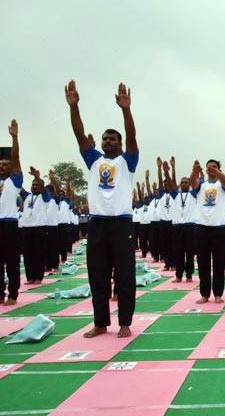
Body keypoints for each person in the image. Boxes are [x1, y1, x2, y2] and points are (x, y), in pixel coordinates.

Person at [65, 80, 138, 338]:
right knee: (97, 275)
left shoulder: (127, 161)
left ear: (119, 143)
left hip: (121, 224)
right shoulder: (93, 160)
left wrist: (125, 110)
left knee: (125, 275)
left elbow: (132, 136)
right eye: (105, 139)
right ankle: (100, 323)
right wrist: (74, 106)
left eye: (112, 139)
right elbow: (79, 134)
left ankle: (125, 322)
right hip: (97, 224)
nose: (107, 142)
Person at [190, 159, 225, 303]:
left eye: (214, 167)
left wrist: (218, 172)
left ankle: (218, 294)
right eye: (209, 167)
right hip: (201, 228)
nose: (211, 169)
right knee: (203, 263)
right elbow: (193, 183)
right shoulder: (201, 185)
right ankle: (205, 294)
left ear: (219, 169)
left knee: (219, 263)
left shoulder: (223, 185)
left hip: (219, 228)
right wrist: (194, 172)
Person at [0, 120, 23, 305]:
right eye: (0, 164)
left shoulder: (14, 182)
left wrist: (15, 138)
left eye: (5, 165)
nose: (2, 167)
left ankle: (13, 294)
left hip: (9, 224)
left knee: (12, 261)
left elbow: (16, 159)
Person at [165, 159, 196, 283]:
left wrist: (194, 171)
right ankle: (178, 275)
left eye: (186, 182)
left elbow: (195, 181)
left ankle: (188, 275)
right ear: (179, 184)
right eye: (182, 182)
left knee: (189, 253)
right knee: (178, 253)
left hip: (190, 227)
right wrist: (168, 171)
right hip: (177, 227)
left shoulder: (194, 195)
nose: (184, 184)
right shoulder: (175, 195)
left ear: (189, 184)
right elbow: (171, 184)